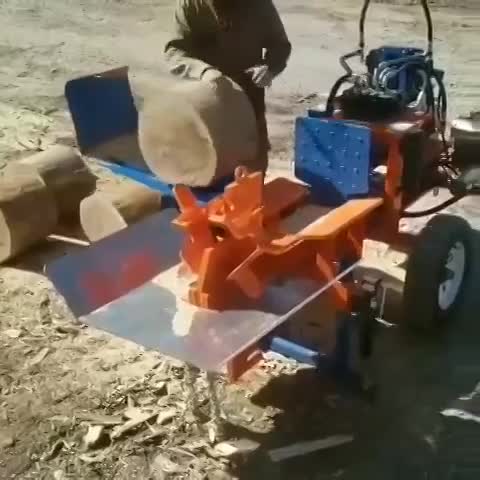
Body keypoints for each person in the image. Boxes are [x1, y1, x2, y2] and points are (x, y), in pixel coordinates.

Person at [164, 0, 292, 173]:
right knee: (204, 166)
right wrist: (203, 71)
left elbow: (280, 46)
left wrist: (269, 68)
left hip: (248, 97)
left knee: (252, 167)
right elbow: (175, 52)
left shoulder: (259, 4)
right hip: (205, 99)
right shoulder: (191, 4)